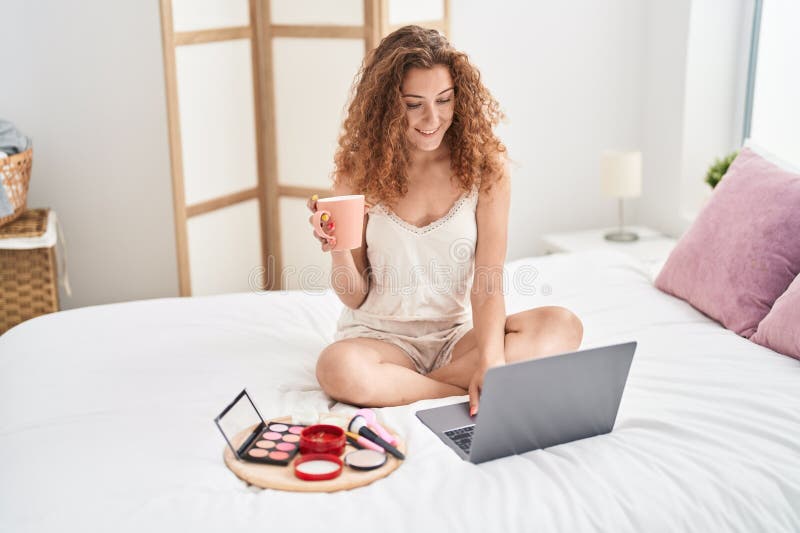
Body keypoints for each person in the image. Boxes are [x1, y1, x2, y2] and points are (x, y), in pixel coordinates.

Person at [307, 26, 583, 416]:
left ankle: (424, 386)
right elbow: (355, 294)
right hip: (379, 339)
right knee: (336, 368)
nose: (432, 118)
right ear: (388, 106)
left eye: (444, 99)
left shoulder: (486, 168)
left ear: (460, 96)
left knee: (562, 326)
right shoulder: (358, 171)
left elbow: (488, 282)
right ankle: (451, 390)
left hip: (454, 339)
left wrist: (490, 361)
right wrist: (335, 249)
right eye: (413, 104)